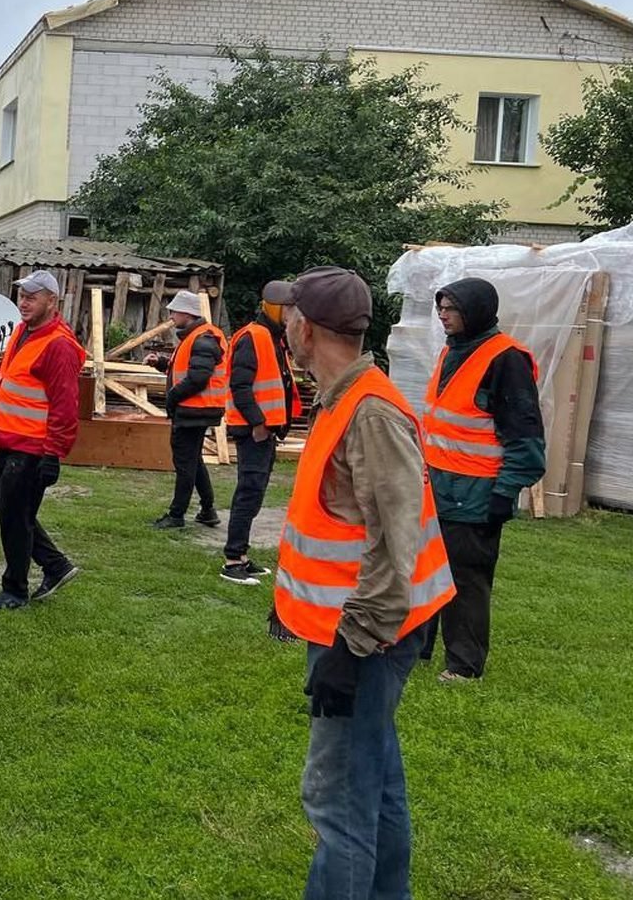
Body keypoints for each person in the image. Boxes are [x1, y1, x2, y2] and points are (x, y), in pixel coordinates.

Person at [270, 266, 455, 900]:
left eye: (288, 315)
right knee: (374, 781)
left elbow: (393, 541)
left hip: (368, 636)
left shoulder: (369, 411)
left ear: (307, 327)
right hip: (360, 628)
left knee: (337, 798)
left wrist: (353, 646)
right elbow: (336, 525)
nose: (283, 325)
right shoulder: (343, 396)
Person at [417, 277, 544, 682]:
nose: (443, 314)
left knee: (466, 581)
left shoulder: (505, 359)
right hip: (438, 488)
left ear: (475, 311)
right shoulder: (453, 352)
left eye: (451, 308)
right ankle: (417, 649)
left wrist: (506, 492)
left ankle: (464, 666)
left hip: (475, 494)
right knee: (426, 572)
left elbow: (525, 436)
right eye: (441, 307)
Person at [0, 270, 86, 609]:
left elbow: (65, 406)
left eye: (32, 296)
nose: (24, 302)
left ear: (51, 301)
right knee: (5, 508)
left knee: (15, 516)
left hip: (32, 448)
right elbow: (3, 377)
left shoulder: (58, 345)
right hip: (10, 440)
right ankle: (56, 566)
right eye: (22, 295)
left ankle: (15, 589)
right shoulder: (21, 333)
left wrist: (53, 454)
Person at [218, 282, 303, 584]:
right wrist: (257, 423)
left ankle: (241, 555)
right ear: (275, 308)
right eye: (291, 310)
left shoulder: (272, 338)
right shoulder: (254, 337)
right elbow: (240, 387)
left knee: (255, 492)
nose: (294, 316)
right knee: (248, 492)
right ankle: (232, 560)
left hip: (265, 431)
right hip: (254, 430)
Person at [147, 290, 227, 530]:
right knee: (193, 460)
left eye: (174, 311)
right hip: (198, 410)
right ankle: (207, 509)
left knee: (185, 463)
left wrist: (173, 396)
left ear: (187, 313)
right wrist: (161, 363)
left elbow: (198, 378)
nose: (171, 315)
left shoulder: (202, 338)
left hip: (193, 410)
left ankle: (177, 514)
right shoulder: (198, 337)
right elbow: (190, 371)